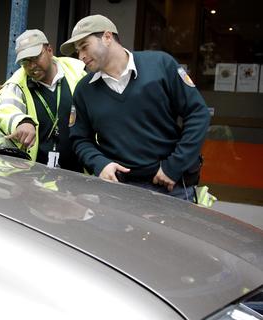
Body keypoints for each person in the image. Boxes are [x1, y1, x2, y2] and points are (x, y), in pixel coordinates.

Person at [60, 15, 210, 201]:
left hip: (172, 186)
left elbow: (198, 114)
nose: (81, 56)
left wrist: (174, 166)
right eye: (77, 51)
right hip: (118, 191)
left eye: (84, 46)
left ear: (107, 37)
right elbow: (80, 139)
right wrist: (100, 164)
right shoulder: (84, 89)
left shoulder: (160, 65)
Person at [0, 29, 87, 172]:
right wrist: (21, 122)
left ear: (49, 50)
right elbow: (7, 109)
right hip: (35, 174)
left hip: (80, 172)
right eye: (25, 62)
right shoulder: (16, 84)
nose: (31, 66)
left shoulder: (78, 72)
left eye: (35, 57)